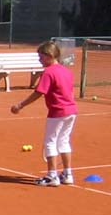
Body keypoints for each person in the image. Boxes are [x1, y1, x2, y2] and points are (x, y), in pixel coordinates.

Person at [11, 40, 78, 187]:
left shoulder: (48, 72)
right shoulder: (66, 71)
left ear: (49, 56)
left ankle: (52, 176)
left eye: (41, 57)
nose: (39, 60)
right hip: (71, 111)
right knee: (64, 141)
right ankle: (67, 174)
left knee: (50, 142)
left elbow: (39, 93)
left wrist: (20, 105)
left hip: (58, 111)